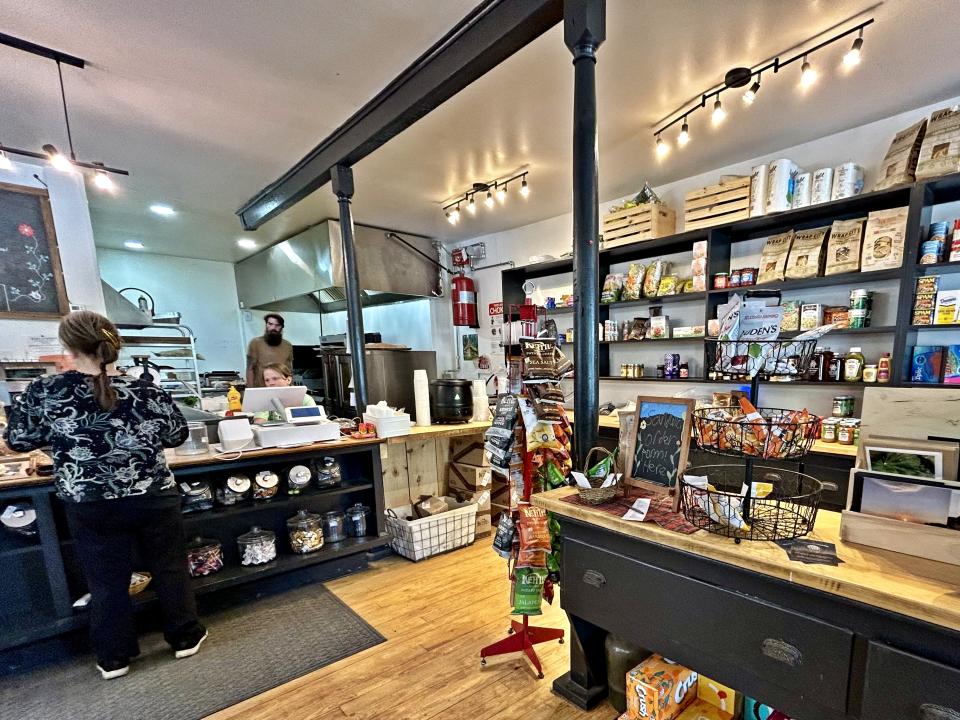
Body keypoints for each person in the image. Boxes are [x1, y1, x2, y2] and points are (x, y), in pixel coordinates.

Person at [3, 311, 207, 680]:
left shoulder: (45, 392)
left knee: (106, 580)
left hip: (90, 502)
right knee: (170, 568)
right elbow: (176, 434)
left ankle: (114, 658)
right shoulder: (145, 389)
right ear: (113, 344)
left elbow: (18, 440)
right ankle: (185, 638)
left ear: (67, 346)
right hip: (153, 496)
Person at [252, 362, 317, 424]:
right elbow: (258, 422)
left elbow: (315, 423)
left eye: (275, 378)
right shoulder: (264, 400)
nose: (271, 383)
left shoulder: (305, 399)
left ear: (288, 380)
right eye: (267, 380)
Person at [246, 313, 293, 388]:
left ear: (281, 327)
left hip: (281, 389)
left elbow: (289, 370)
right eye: (270, 324)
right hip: (261, 389)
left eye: (277, 325)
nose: (273, 328)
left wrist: (291, 388)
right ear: (266, 325)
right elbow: (250, 369)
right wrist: (251, 391)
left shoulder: (287, 346)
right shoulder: (255, 343)